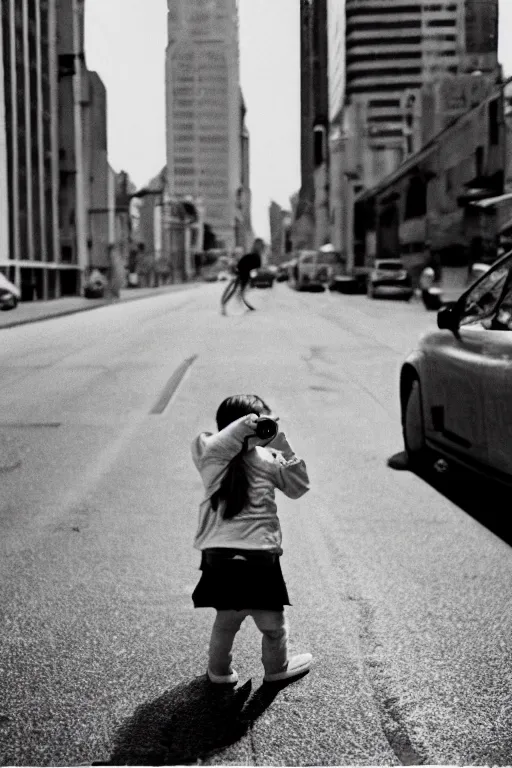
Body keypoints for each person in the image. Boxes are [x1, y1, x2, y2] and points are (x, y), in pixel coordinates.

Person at [191, 394, 313, 685]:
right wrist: (251, 425)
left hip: (224, 557)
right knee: (272, 626)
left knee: (227, 620)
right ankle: (277, 669)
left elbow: (298, 487)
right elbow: (222, 440)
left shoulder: (268, 459)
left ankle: (219, 673)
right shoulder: (211, 453)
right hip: (258, 558)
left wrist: (282, 444)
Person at [220, 239, 265, 315]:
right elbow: (252, 266)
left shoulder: (255, 255)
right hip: (244, 274)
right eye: (260, 245)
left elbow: (253, 266)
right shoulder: (255, 255)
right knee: (237, 290)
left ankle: (233, 305)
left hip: (245, 273)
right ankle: (225, 306)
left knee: (239, 291)